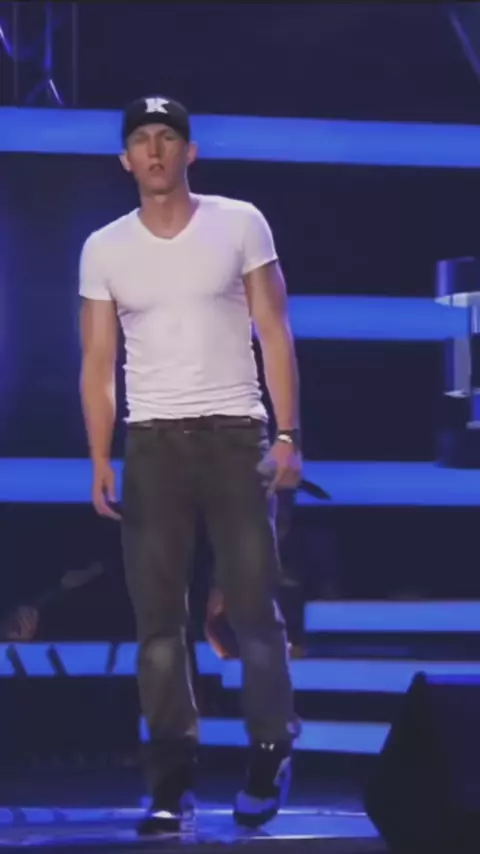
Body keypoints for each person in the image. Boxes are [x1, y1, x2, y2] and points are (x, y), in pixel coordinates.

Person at [78, 94, 302, 835]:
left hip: (236, 435)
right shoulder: (105, 247)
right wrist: (99, 455)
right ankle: (171, 780)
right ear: (125, 159)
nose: (155, 149)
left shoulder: (239, 223)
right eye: (142, 138)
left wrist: (288, 435)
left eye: (167, 137)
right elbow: (98, 361)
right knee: (157, 623)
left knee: (252, 607)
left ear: (189, 152)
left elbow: (274, 329)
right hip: (152, 443)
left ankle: (270, 750)